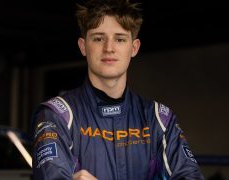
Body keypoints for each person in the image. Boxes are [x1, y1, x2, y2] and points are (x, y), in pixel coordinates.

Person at [31, 0, 204, 179]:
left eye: (120, 39)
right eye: (98, 38)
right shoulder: (57, 116)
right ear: (83, 46)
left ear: (134, 48)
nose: (109, 48)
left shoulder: (158, 118)